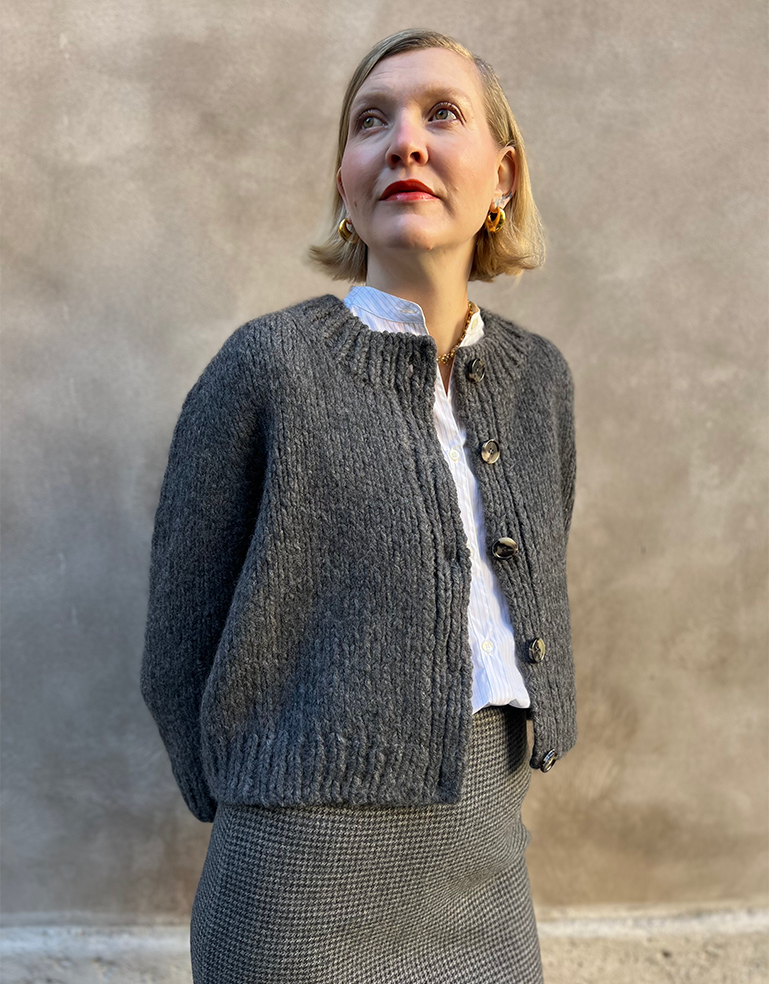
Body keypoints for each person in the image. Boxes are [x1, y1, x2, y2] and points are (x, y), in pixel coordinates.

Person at [140, 27, 577, 984]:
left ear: (502, 178)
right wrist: (258, 807)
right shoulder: (267, 368)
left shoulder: (538, 382)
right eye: (370, 122)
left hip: (486, 866)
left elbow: (530, 593)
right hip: (294, 879)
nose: (403, 142)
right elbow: (178, 634)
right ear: (345, 181)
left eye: (441, 114)